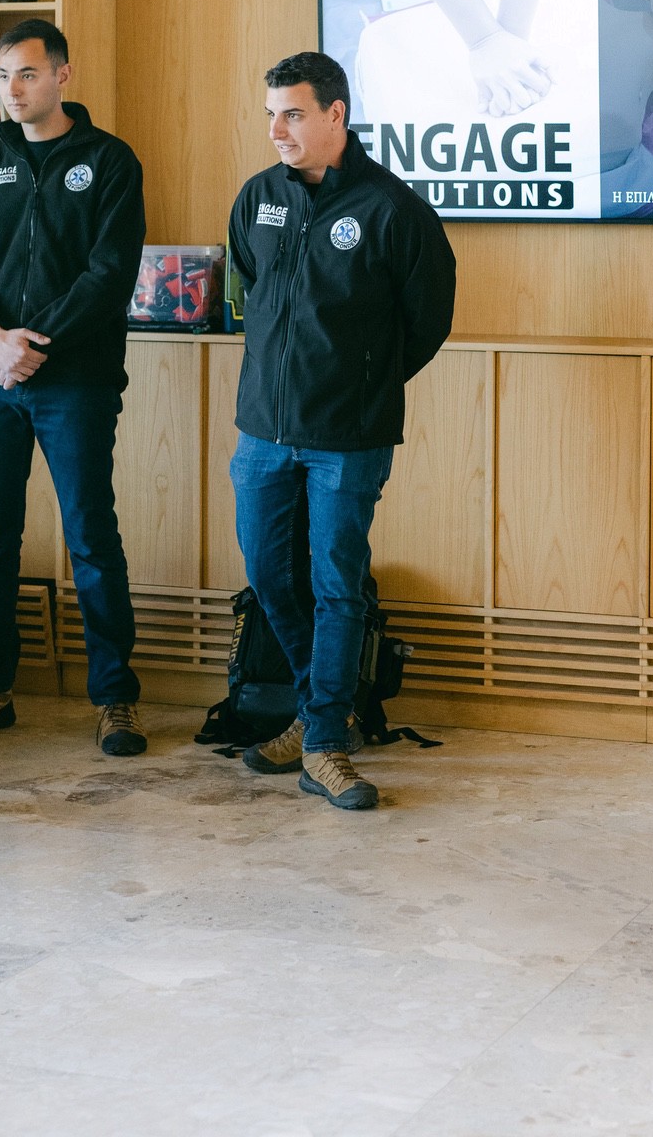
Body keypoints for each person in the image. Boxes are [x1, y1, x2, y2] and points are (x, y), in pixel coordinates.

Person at [227, 50, 456, 810]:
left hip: (348, 437)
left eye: (292, 114)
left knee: (337, 585)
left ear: (336, 114)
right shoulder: (257, 197)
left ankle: (324, 743)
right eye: (271, 115)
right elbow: (252, 288)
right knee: (269, 576)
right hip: (262, 431)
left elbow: (426, 322)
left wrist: (360, 382)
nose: (277, 130)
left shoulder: (393, 209)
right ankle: (317, 708)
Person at [0, 19, 148, 758]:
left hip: (73, 382)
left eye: (27, 73)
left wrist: (32, 344)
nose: (12, 90)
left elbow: (107, 275)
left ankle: (115, 699)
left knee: (91, 536)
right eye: (3, 76)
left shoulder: (109, 162)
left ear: (62, 75)